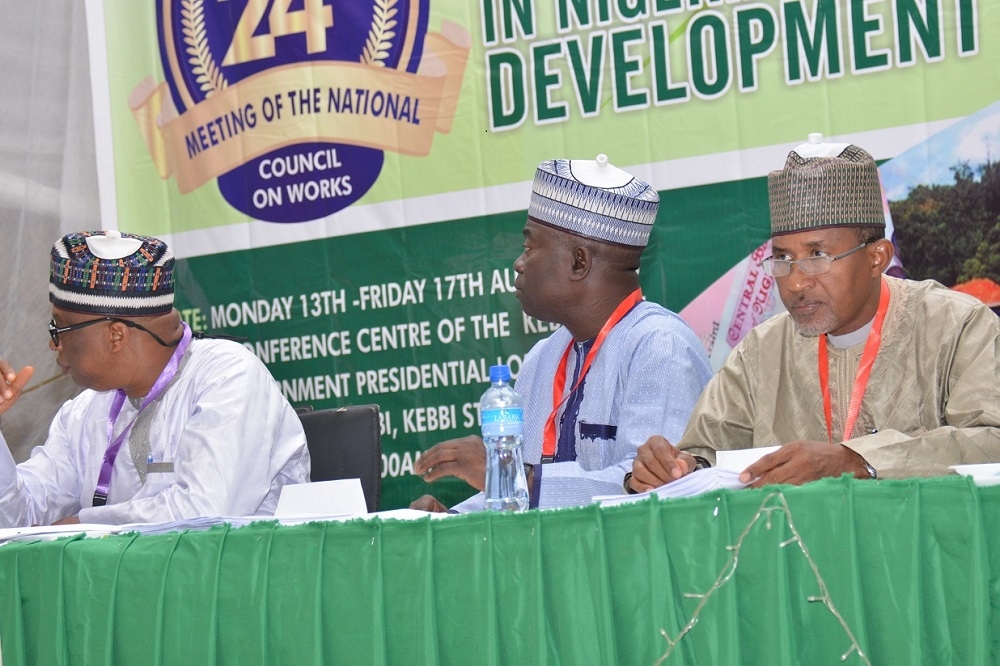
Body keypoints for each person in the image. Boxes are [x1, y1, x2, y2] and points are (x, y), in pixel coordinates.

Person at [628, 140, 1000, 492]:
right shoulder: (761, 352)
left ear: (877, 258)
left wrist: (858, 460)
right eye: (783, 259)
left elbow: (992, 439)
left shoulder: (957, 326)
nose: (795, 282)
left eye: (817, 256)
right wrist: (675, 468)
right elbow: (705, 453)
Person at [412, 155, 713, 511]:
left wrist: (508, 474)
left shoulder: (660, 345)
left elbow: (650, 494)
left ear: (579, 262)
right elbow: (517, 498)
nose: (518, 263)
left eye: (528, 247)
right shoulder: (543, 357)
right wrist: (453, 520)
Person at [0, 230, 310, 526]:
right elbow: (19, 518)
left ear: (116, 335)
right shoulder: (85, 413)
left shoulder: (228, 376)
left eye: (59, 329)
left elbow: (206, 513)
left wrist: (82, 523)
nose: (53, 345)